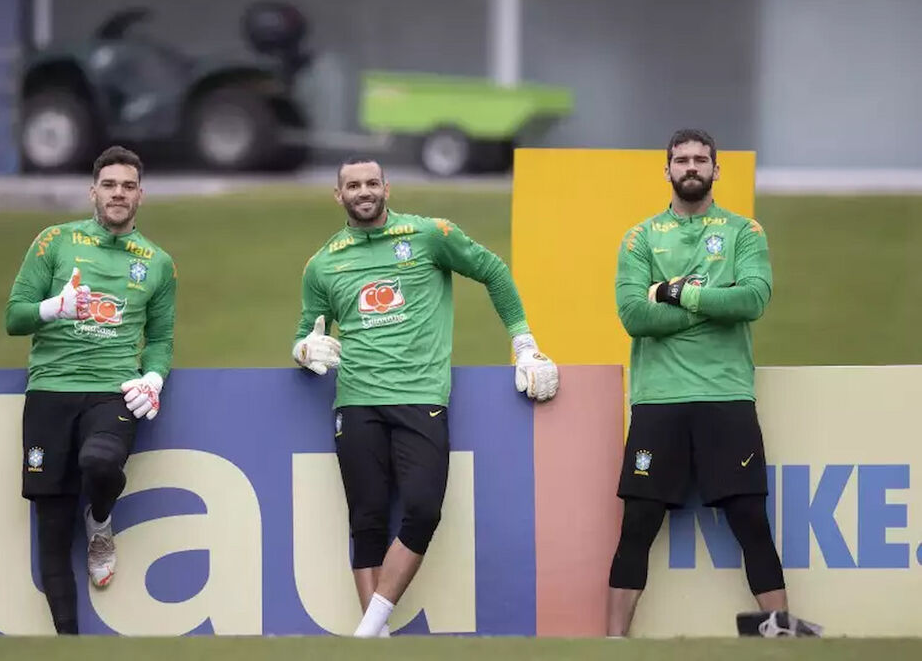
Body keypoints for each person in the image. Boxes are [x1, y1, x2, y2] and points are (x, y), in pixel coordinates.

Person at [291, 157, 559, 637]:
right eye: (353, 185)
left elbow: (494, 272)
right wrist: (304, 349)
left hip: (421, 395)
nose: (364, 191)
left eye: (372, 182)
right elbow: (307, 329)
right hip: (355, 400)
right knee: (367, 519)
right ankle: (377, 638)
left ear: (387, 188)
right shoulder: (322, 262)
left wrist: (523, 342)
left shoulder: (430, 234)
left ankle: (367, 630)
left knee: (423, 510)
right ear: (339, 195)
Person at [606, 129, 821, 638]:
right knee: (637, 524)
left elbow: (752, 301)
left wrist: (677, 293)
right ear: (667, 171)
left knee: (750, 519)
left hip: (725, 396)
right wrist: (709, 302)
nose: (691, 166)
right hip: (659, 400)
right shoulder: (639, 237)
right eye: (681, 160)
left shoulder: (745, 231)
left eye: (701, 159)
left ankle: (781, 634)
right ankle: (611, 644)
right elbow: (634, 315)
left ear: (717, 170)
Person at [4, 145, 177, 634]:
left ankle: (100, 521)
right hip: (50, 392)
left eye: (127, 186)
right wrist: (52, 308)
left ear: (140, 195)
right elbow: (12, 317)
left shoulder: (158, 263)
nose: (118, 194)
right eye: (109, 185)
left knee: (100, 463)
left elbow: (161, 339)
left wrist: (154, 376)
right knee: (52, 534)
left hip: (111, 392)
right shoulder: (54, 242)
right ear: (93, 191)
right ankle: (69, 644)